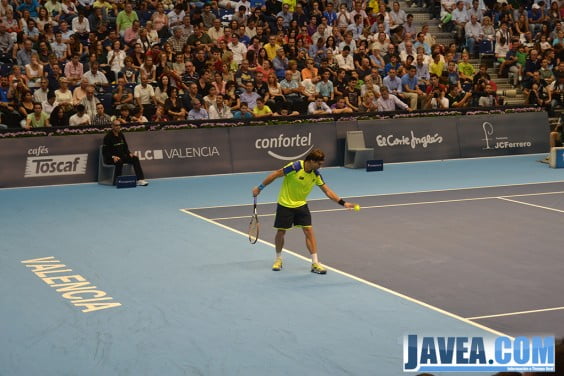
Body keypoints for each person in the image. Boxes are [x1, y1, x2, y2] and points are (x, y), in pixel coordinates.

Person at [252, 149, 358, 274]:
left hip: (301, 205)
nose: (321, 166)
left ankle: (315, 263)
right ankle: (278, 259)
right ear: (312, 161)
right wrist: (260, 188)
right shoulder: (295, 167)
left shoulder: (316, 174)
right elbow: (276, 174)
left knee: (309, 231)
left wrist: (343, 203)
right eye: (319, 164)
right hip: (285, 204)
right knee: (281, 232)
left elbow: (327, 191)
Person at [103, 120, 148, 186]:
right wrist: (113, 157)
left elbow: (125, 147)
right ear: (112, 126)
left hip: (122, 156)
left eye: (119, 125)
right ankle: (117, 181)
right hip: (111, 158)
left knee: (135, 158)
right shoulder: (107, 137)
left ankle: (140, 179)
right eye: (116, 125)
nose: (118, 127)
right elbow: (105, 152)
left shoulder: (121, 135)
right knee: (119, 161)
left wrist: (129, 153)